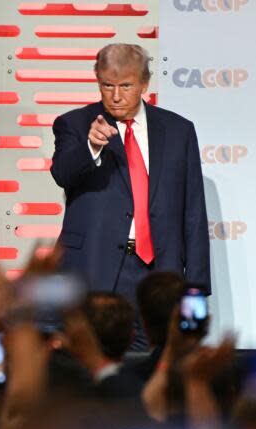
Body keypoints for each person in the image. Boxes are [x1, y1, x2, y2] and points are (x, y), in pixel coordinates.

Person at [50, 43, 210, 349]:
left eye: (125, 85)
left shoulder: (179, 130)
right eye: (107, 85)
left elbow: (193, 212)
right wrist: (91, 148)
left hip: (158, 272)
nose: (115, 95)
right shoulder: (74, 124)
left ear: (145, 84)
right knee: (94, 374)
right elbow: (62, 174)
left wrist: (197, 288)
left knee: (153, 374)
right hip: (94, 270)